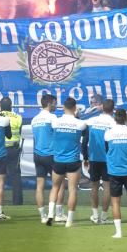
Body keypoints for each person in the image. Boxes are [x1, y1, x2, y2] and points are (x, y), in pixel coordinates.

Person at [46, 97, 87, 228]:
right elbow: (84, 131)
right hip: (73, 161)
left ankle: (50, 215)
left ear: (63, 108)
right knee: (72, 190)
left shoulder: (55, 122)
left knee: (55, 188)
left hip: (58, 160)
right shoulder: (80, 123)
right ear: (75, 109)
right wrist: (77, 117)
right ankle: (69, 220)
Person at [104, 108, 127, 238]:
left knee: (115, 202)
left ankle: (118, 232)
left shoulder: (108, 133)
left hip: (114, 171)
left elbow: (107, 149)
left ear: (115, 119)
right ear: (126, 118)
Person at [84, 98, 116, 224]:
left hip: (94, 158)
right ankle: (103, 216)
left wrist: (86, 157)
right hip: (108, 159)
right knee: (107, 187)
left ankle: (95, 215)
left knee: (94, 186)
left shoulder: (92, 120)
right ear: (113, 109)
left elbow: (85, 139)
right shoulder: (114, 123)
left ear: (102, 107)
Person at [30, 95, 57, 223]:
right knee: (58, 185)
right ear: (50, 103)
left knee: (39, 186)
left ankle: (42, 216)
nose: (56, 106)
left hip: (37, 155)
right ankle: (57, 213)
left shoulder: (34, 119)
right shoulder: (52, 117)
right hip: (50, 155)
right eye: (55, 103)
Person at [0, 97, 23, 206]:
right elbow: (20, 132)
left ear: (0, 106)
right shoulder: (18, 117)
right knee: (16, 176)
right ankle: (17, 202)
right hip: (13, 149)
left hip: (0, 149)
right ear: (11, 105)